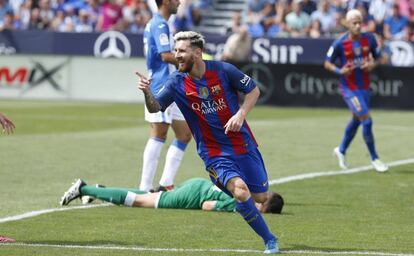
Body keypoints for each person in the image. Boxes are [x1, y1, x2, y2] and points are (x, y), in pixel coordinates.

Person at [136, 31, 279, 254]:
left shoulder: (223, 70)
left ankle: (230, 195)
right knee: (241, 192)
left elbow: (253, 90)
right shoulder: (176, 82)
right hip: (214, 152)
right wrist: (146, 92)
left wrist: (241, 114)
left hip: (243, 144)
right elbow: (156, 107)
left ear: (198, 53)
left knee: (260, 197)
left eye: (181, 51)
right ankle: (270, 240)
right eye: (175, 51)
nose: (177, 55)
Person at [324, 9, 389, 173]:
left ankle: (341, 150)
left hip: (364, 87)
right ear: (347, 24)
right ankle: (375, 159)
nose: (358, 26)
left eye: (360, 22)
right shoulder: (340, 43)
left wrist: (373, 64)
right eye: (355, 23)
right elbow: (327, 63)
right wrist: (340, 71)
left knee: (357, 120)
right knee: (367, 120)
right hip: (349, 88)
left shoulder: (369, 39)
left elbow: (381, 57)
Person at [140, 0, 192, 193]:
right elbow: (164, 55)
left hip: (172, 83)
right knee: (159, 133)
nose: (179, 2)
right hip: (161, 85)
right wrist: (190, 60)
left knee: (185, 134)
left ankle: (165, 183)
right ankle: (144, 188)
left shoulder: (161, 23)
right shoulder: (160, 24)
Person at [60, 178, 284, 214]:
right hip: (193, 196)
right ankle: (83, 189)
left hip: (198, 183)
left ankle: (101, 190)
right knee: (139, 202)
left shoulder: (246, 189)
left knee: (148, 194)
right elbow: (206, 206)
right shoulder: (240, 205)